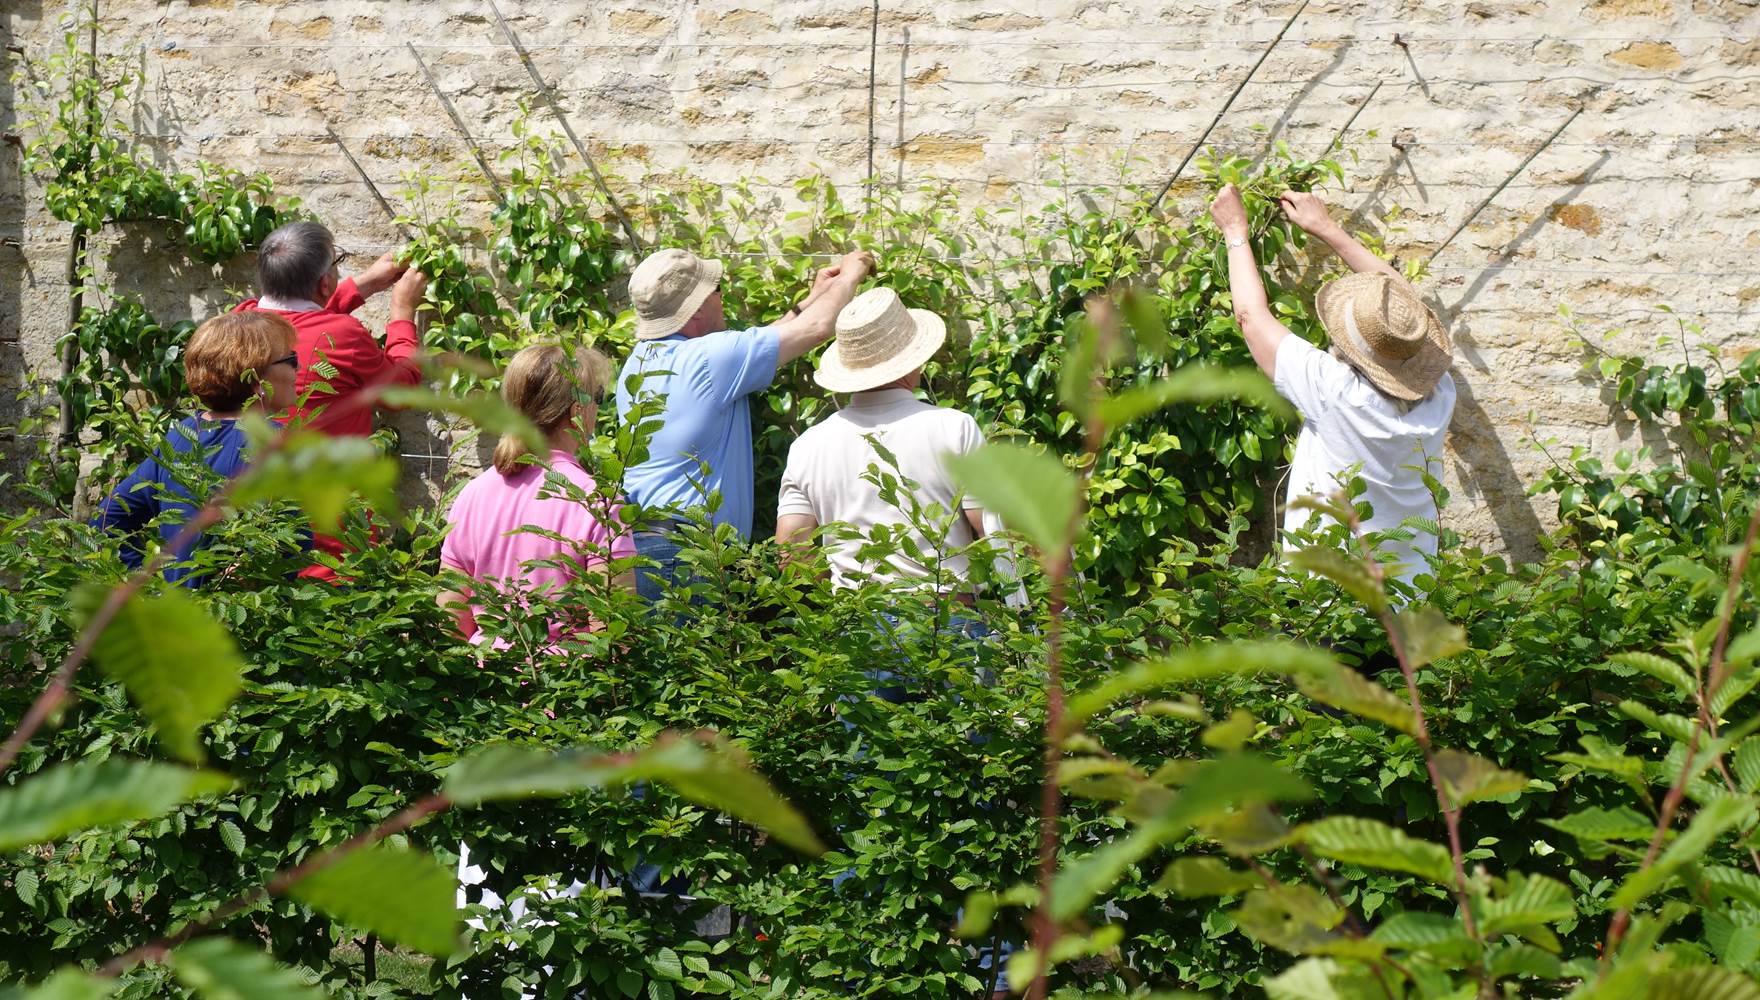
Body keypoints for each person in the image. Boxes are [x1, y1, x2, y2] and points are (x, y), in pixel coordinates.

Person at [1209, 185, 1456, 588]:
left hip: (1330, 605)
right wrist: (1326, 228)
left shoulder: (1335, 392)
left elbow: (1250, 318)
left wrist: (1235, 230)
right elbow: (1404, 309)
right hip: (1412, 597)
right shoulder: (1439, 394)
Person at [613, 247, 874, 601]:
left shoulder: (640, 362)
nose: (724, 297)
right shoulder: (709, 359)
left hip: (643, 547)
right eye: (717, 289)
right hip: (687, 558)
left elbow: (766, 340)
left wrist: (816, 295)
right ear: (697, 309)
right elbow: (816, 328)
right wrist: (851, 275)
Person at [773, 287, 986, 595]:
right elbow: (993, 529)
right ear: (914, 361)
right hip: (945, 621)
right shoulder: (954, 428)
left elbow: (792, 551)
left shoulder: (808, 444)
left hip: (856, 625)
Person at [437, 343, 636, 647]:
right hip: (567, 687)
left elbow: (450, 625)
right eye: (597, 397)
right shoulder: (596, 502)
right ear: (577, 411)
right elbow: (612, 638)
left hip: (485, 682)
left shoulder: (471, 495)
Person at [92, 311, 301, 586]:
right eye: (291, 360)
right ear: (257, 380)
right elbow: (290, 550)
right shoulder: (276, 444)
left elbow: (105, 522)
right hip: (253, 620)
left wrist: (145, 585)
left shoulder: (181, 436)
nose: (298, 369)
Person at [236, 221, 429, 437]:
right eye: (336, 262)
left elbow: (300, 319)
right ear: (325, 284)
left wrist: (366, 283)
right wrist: (403, 310)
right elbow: (401, 392)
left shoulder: (238, 322)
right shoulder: (345, 335)